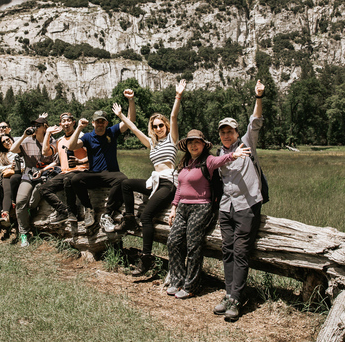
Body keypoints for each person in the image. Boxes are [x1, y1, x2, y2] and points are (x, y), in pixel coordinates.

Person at [111, 80, 186, 276]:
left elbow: (174, 115)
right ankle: (128, 218)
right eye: (155, 126)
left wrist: (178, 96)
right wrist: (121, 115)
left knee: (146, 216)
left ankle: (146, 259)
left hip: (168, 183)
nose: (159, 128)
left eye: (161, 125)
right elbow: (134, 129)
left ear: (166, 126)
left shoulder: (172, 139)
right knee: (125, 184)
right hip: (154, 182)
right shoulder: (151, 144)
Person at [166, 129, 250, 299]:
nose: (193, 145)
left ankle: (192, 285)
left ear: (203, 145)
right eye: (190, 142)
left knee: (193, 245)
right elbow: (180, 187)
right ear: (186, 146)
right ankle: (177, 279)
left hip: (202, 207)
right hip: (182, 207)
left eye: (197, 142)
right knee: (173, 241)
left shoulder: (208, 161)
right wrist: (174, 206)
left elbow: (222, 159)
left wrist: (235, 154)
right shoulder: (185, 162)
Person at [213, 79, 266, 321]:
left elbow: (254, 123)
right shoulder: (219, 154)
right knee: (227, 250)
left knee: (242, 251)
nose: (226, 135)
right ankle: (228, 293)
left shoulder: (247, 143)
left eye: (229, 132)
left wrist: (258, 97)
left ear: (236, 133)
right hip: (226, 208)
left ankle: (237, 298)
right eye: (223, 132)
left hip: (247, 206)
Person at [66, 89, 136, 229]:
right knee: (74, 179)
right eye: (97, 121)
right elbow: (72, 146)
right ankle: (88, 209)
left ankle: (107, 214)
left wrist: (131, 100)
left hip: (111, 173)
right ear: (93, 123)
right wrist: (79, 128)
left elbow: (130, 121)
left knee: (123, 180)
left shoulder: (112, 131)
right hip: (94, 173)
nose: (100, 124)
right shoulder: (88, 136)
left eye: (102, 122)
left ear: (106, 123)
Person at [8, 114, 58, 247]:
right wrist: (24, 135)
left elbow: (56, 161)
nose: (35, 127)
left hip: (45, 175)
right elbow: (13, 149)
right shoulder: (27, 141)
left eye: (38, 125)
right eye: (33, 125)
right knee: (20, 201)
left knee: (32, 202)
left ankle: (30, 214)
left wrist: (43, 171)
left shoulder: (53, 141)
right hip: (29, 175)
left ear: (45, 127)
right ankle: (24, 233)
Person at [38, 112, 89, 226]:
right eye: (64, 121)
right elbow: (45, 152)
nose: (66, 123)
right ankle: (63, 211)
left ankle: (72, 212)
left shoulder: (82, 137)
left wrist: (81, 161)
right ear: (61, 125)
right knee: (43, 189)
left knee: (68, 180)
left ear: (73, 123)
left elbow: (92, 155)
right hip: (65, 172)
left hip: (81, 171)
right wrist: (47, 133)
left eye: (69, 121)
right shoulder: (60, 140)